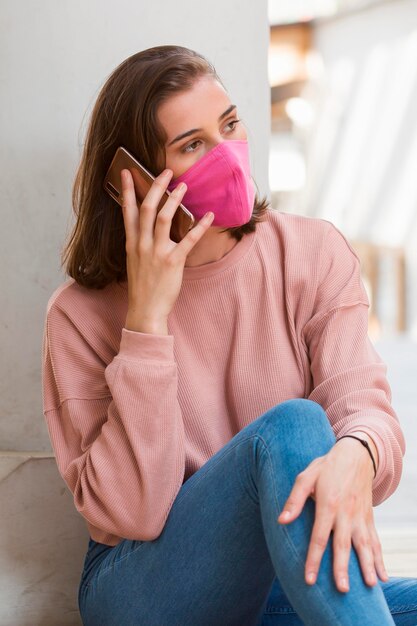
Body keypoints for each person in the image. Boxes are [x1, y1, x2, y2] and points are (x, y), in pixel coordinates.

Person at [42, 45, 417, 626]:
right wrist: (146, 322)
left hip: (283, 572)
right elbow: (134, 514)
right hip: (145, 586)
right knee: (294, 423)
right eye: (193, 145)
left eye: (231, 125)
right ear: (135, 181)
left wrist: (357, 451)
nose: (229, 154)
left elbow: (365, 408)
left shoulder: (312, 253)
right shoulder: (80, 315)